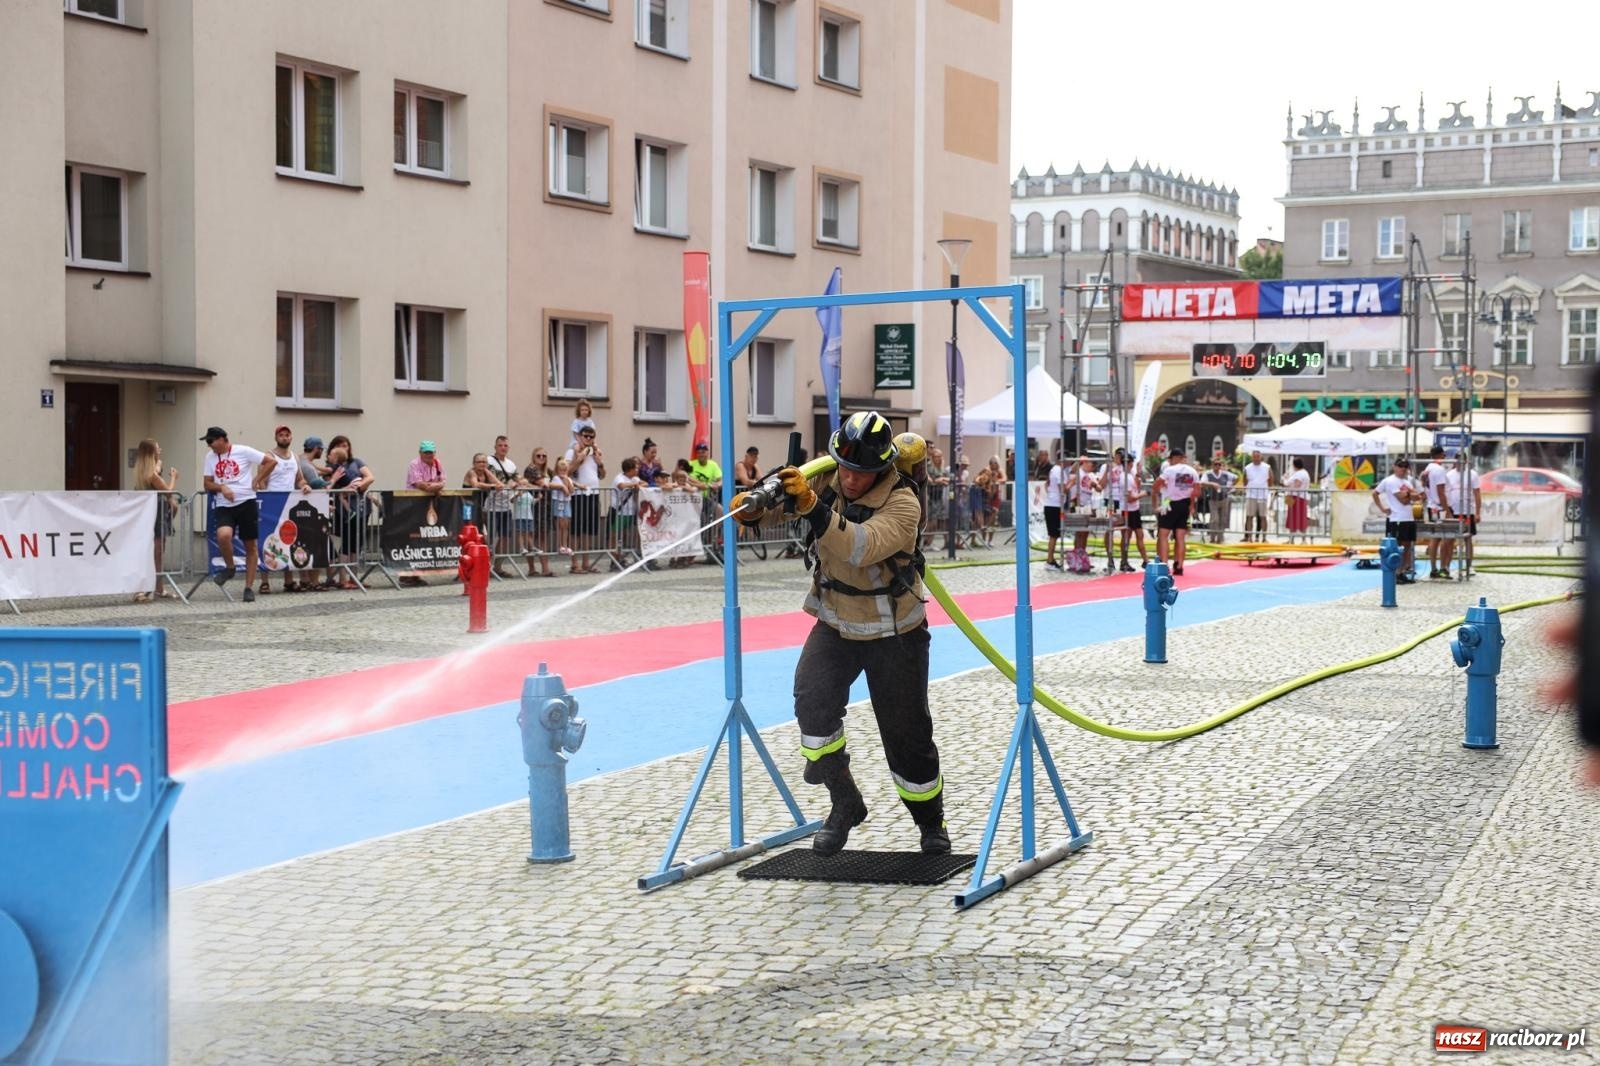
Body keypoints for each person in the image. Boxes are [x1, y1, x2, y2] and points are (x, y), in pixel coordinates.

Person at [731, 411, 949, 856]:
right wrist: (755, 508)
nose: (849, 479)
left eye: (861, 473)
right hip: (835, 620)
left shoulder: (904, 503)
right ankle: (844, 802)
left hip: (894, 632)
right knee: (811, 702)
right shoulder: (826, 475)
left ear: (883, 468)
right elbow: (785, 505)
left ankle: (931, 823)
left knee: (907, 738)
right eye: (844, 468)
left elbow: (860, 546)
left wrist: (812, 507)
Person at [200, 426, 277, 603]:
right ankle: (230, 567)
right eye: (207, 442)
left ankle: (248, 587)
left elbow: (271, 461)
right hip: (224, 505)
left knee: (250, 546)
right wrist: (221, 487)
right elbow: (207, 484)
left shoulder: (243, 451)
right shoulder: (210, 457)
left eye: (211, 441)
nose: (209, 445)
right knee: (223, 535)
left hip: (246, 502)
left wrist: (258, 479)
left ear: (222, 439)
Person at [259, 425, 311, 594]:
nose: (284, 437)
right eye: (281, 435)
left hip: (289, 503)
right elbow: (261, 481)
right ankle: (264, 581)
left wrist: (305, 486)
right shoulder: (269, 456)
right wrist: (263, 497)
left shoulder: (295, 457)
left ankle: (289, 581)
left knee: (287, 540)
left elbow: (300, 479)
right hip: (271, 503)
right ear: (276, 438)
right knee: (268, 541)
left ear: (291, 437)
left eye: (287, 435)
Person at [132, 439, 178, 602]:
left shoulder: (143, 472)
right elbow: (169, 492)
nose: (161, 449)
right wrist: (173, 477)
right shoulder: (152, 475)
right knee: (157, 553)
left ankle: (158, 588)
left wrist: (159, 464)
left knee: (154, 553)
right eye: (158, 448)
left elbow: (156, 469)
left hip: (149, 516)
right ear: (152, 452)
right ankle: (144, 589)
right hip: (156, 516)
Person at [324, 443, 372, 590]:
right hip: (339, 510)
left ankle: (354, 578)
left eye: (345, 445)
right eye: (339, 446)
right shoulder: (332, 467)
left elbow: (370, 477)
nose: (343, 448)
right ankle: (342, 578)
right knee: (342, 543)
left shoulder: (356, 462)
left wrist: (357, 487)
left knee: (355, 544)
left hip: (358, 507)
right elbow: (325, 484)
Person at [401, 441, 446, 586]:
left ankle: (416, 573)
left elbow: (443, 482)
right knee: (412, 538)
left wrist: (433, 486)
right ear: (420, 452)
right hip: (413, 505)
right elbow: (420, 485)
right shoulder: (414, 464)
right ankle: (406, 573)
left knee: (423, 539)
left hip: (428, 506)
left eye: (431, 452)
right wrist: (435, 487)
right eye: (426, 452)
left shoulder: (437, 463)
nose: (429, 455)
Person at [1372, 458, 1422, 583]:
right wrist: (1383, 508)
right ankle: (1396, 572)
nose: (1403, 468)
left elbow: (1419, 496)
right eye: (1400, 466)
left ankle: (1402, 572)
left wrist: (1408, 495)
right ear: (1394, 467)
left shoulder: (1407, 481)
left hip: (1408, 517)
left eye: (1405, 466)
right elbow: (1401, 499)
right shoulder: (1390, 481)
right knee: (1397, 547)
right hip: (1397, 518)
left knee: (1407, 546)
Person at [563, 426, 605, 573]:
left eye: (591, 437)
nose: (588, 439)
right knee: (576, 531)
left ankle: (586, 563)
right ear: (579, 437)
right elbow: (566, 472)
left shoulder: (595, 453)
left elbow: (602, 475)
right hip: (578, 494)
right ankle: (575, 564)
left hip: (593, 493)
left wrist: (600, 463)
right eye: (585, 436)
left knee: (588, 530)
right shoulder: (571, 452)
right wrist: (579, 459)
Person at [1153, 447, 1200, 575]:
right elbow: (1196, 491)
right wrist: (1191, 505)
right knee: (1180, 537)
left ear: (1174, 458)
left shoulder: (1170, 470)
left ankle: (1164, 564)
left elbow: (1157, 483)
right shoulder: (1192, 471)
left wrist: (1156, 491)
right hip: (1184, 504)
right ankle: (1179, 565)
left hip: (1169, 502)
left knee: (1163, 535)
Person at [1440, 453, 1481, 578]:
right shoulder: (1449, 475)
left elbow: (1477, 494)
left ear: (1466, 461)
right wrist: (1446, 510)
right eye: (1457, 460)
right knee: (1449, 540)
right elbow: (1444, 493)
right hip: (1453, 511)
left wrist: (1478, 512)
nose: (1459, 463)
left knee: (1468, 539)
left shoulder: (1472, 474)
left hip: (1467, 511)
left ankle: (1469, 566)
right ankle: (1445, 566)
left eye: (1462, 460)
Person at [486, 435, 520, 576]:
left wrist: (519, 484)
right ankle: (485, 567)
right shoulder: (489, 461)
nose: (503, 448)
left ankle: (497, 567)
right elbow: (490, 477)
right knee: (489, 538)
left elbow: (517, 479)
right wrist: (509, 485)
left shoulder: (511, 464)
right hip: (491, 506)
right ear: (495, 447)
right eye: (500, 445)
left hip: (506, 506)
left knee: (505, 537)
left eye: (505, 445)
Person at [1116, 451, 1151, 571]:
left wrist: (1138, 474)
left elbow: (1135, 488)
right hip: (1128, 510)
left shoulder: (1129, 475)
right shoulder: (1125, 478)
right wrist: (1143, 494)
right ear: (1129, 463)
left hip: (1133, 509)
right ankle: (1125, 561)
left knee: (1138, 535)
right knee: (1127, 536)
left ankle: (1144, 560)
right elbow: (1130, 498)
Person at [523, 447, 555, 577]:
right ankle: (532, 568)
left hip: (546, 507)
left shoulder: (549, 471)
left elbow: (557, 479)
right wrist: (563, 486)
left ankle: (545, 568)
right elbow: (545, 485)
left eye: (544, 456)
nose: (541, 458)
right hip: (533, 506)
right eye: (538, 456)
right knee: (531, 536)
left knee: (543, 537)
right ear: (533, 456)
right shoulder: (531, 469)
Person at [1420, 445, 1451, 579]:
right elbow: (1441, 492)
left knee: (1435, 538)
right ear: (1440, 455)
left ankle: (1433, 568)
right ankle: (1443, 567)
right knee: (1446, 537)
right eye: (1443, 455)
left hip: (1431, 505)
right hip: (1439, 507)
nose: (1444, 458)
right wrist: (1447, 510)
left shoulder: (1427, 469)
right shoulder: (1438, 469)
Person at [610, 456, 646, 569]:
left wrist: (637, 484)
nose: (637, 470)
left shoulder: (634, 478)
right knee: (615, 536)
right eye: (635, 468)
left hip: (630, 511)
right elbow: (621, 486)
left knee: (625, 535)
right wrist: (635, 485)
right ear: (629, 469)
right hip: (618, 511)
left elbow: (645, 484)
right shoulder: (619, 478)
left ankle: (621, 557)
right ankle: (613, 560)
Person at [1098, 449, 1130, 572]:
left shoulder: (1126, 467)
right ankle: (1110, 558)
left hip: (1123, 500)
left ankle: (1124, 559)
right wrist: (1108, 470)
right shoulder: (1106, 467)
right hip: (1110, 500)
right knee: (1109, 529)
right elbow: (1101, 485)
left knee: (1125, 530)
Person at [1201, 456, 1236, 544]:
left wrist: (1229, 487)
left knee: (1223, 519)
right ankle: (1212, 537)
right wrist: (1212, 484)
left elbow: (1236, 478)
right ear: (1212, 465)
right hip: (1213, 500)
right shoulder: (1208, 473)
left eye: (1219, 464)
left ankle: (1220, 538)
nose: (1217, 466)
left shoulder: (1225, 473)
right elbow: (1202, 482)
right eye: (1216, 464)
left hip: (1224, 499)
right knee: (1214, 519)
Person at [549, 457, 577, 565]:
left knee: (566, 524)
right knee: (560, 523)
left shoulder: (568, 479)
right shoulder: (556, 478)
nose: (563, 472)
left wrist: (566, 480)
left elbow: (571, 491)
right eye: (561, 470)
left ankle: (565, 545)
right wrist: (563, 483)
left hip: (567, 502)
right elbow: (565, 491)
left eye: (565, 470)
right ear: (557, 470)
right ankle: (560, 545)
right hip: (559, 502)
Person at [1242, 449, 1273, 542]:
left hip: (1262, 495)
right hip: (1251, 495)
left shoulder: (1267, 467)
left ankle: (1264, 537)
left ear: (1261, 457)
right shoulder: (1247, 468)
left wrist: (1266, 488)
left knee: (1263, 517)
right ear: (1252, 457)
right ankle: (1250, 537)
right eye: (1254, 456)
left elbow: (1271, 479)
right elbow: (1244, 481)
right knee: (1249, 516)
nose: (1256, 458)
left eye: (1257, 456)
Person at [1041, 450, 1065, 572]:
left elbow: (1047, 484)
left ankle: (1051, 559)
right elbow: (1063, 489)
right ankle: (1049, 560)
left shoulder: (1054, 469)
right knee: (1054, 535)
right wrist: (1071, 483)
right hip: (1054, 505)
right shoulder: (1058, 471)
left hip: (1052, 504)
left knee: (1055, 534)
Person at [1282, 457, 1311, 544]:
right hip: (1297, 497)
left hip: (1296, 497)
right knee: (1293, 518)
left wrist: (1285, 481)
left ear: (1295, 465)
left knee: (1298, 518)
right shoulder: (1303, 473)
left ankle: (1301, 540)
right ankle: (1294, 539)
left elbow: (1297, 485)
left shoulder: (1299, 474)